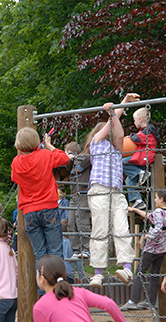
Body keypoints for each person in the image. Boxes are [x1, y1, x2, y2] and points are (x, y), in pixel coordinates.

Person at [85, 94, 140, 287]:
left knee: (122, 230)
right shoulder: (96, 144)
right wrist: (112, 112)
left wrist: (120, 106)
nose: (113, 131)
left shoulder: (116, 148)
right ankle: (98, 273)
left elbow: (118, 133)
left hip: (116, 194)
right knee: (100, 230)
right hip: (100, 191)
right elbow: (110, 127)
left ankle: (126, 268)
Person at [11, 127, 72, 267]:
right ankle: (57, 287)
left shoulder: (16, 162)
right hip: (48, 208)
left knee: (39, 254)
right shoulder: (45, 155)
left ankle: (43, 288)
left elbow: (14, 178)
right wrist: (49, 146)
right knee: (56, 252)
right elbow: (65, 158)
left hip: (29, 212)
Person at [120, 189, 166, 311]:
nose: (154, 200)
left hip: (152, 249)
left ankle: (133, 300)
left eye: (156, 197)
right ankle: (150, 302)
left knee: (139, 272)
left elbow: (157, 230)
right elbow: (149, 216)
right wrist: (135, 210)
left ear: (161, 199)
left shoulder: (159, 212)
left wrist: (144, 237)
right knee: (154, 274)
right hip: (163, 248)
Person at [121, 106, 160, 209]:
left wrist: (129, 136)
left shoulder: (148, 130)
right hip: (143, 156)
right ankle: (138, 201)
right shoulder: (146, 130)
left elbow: (136, 138)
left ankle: (141, 173)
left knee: (121, 162)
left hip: (144, 156)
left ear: (140, 120)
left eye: (135, 120)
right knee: (129, 181)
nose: (134, 123)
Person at [65, 141, 91, 260]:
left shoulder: (85, 158)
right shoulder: (71, 164)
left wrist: (79, 165)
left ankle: (87, 249)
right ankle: (76, 250)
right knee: (71, 223)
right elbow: (66, 164)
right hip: (73, 196)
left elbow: (90, 157)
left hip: (83, 193)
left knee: (82, 222)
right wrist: (69, 159)